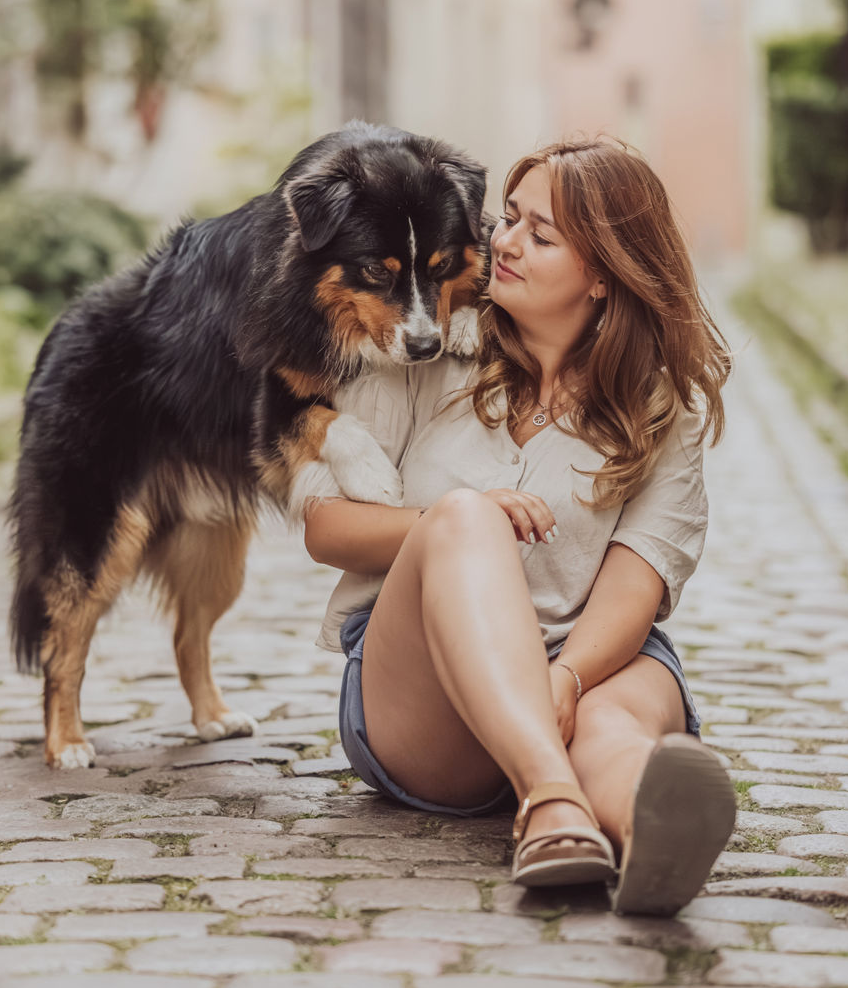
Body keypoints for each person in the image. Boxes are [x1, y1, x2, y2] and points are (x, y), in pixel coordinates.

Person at [303, 138, 736, 915]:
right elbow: (326, 528)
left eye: (539, 236)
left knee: (609, 726)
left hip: (585, 658)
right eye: (507, 220)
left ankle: (648, 828)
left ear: (602, 274)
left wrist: (564, 679)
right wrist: (444, 522)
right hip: (422, 681)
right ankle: (550, 799)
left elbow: (636, 581)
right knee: (468, 515)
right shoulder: (422, 350)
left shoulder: (661, 405)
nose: (501, 243)